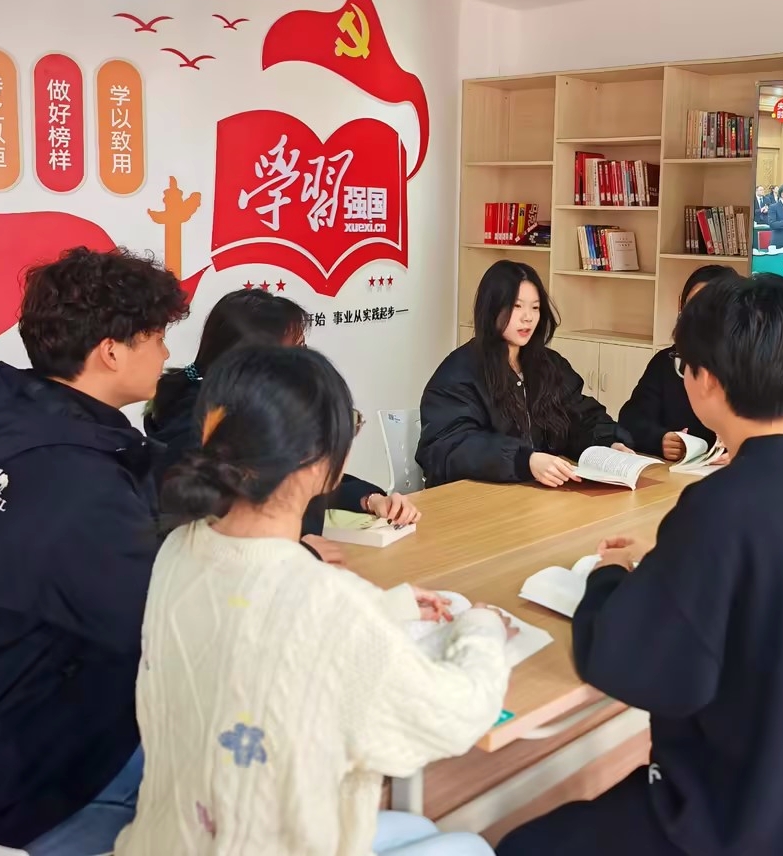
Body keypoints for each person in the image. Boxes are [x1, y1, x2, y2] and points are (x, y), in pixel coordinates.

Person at [496, 274, 783, 856]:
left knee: (519, 846)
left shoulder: (720, 503)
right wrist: (669, 561)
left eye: (684, 365)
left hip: (751, 827)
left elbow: (628, 665)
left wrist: (608, 573)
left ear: (705, 380)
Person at [117, 346, 509, 856]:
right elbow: (456, 715)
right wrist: (482, 626)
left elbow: (262, 630)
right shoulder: (327, 603)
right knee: (470, 846)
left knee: (423, 833)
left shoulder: (179, 549)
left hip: (168, 838)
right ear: (316, 465)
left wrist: (385, 607)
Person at [0, 247, 190, 853]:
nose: (166, 355)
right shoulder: (75, 480)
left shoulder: (9, 424)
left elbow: (150, 471)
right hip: (0, 794)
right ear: (111, 351)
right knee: (213, 760)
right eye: (157, 338)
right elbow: (164, 627)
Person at [145, 289, 418, 561]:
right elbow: (225, 538)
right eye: (296, 349)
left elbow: (296, 474)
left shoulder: (236, 404)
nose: (305, 360)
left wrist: (369, 499)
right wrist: (303, 554)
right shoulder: (197, 424)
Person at [417, 261, 629, 488]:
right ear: (492, 308)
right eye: (517, 306)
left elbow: (579, 417)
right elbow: (452, 446)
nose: (528, 317)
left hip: (536, 492)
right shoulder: (459, 371)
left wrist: (608, 444)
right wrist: (524, 460)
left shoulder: (549, 364)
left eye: (535, 308)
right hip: (476, 496)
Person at [619, 264, 739, 460]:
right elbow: (631, 421)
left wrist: (740, 451)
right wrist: (660, 439)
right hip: (673, 470)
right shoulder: (668, 361)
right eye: (692, 306)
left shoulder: (751, 366)